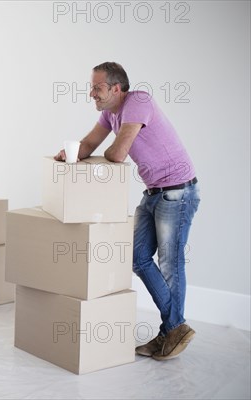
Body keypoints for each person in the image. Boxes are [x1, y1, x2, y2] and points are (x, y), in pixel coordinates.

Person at [54, 62, 200, 361]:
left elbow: (117, 154)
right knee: (136, 257)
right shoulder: (110, 113)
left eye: (97, 87)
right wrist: (68, 153)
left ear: (116, 88)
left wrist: (105, 150)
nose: (91, 93)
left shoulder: (138, 101)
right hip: (154, 192)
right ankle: (175, 328)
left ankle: (170, 331)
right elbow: (89, 144)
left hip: (178, 191)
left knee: (170, 263)